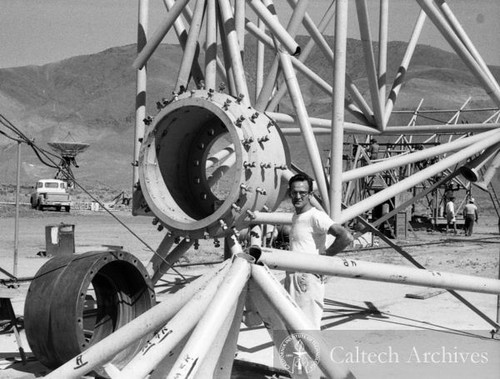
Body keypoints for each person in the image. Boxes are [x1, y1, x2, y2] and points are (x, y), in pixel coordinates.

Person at [285, 173, 354, 329]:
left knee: (308, 328)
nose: (298, 196)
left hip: (307, 279)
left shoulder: (316, 216)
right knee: (294, 326)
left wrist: (323, 258)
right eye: (294, 192)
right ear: (290, 193)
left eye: (302, 193)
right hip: (293, 277)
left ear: (310, 195)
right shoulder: (297, 216)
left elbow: (346, 237)